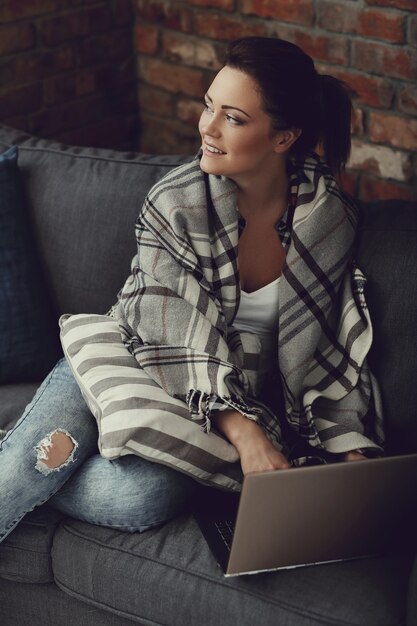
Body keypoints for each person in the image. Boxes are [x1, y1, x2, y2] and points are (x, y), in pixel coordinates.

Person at [0, 37, 383, 545]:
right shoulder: (175, 200)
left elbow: (331, 350)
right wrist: (244, 434)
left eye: (234, 118)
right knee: (43, 456)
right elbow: (168, 326)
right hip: (130, 356)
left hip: (211, 405)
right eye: (209, 105)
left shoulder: (329, 220)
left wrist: (350, 457)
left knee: (139, 497)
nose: (207, 127)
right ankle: (25, 461)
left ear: (283, 137)